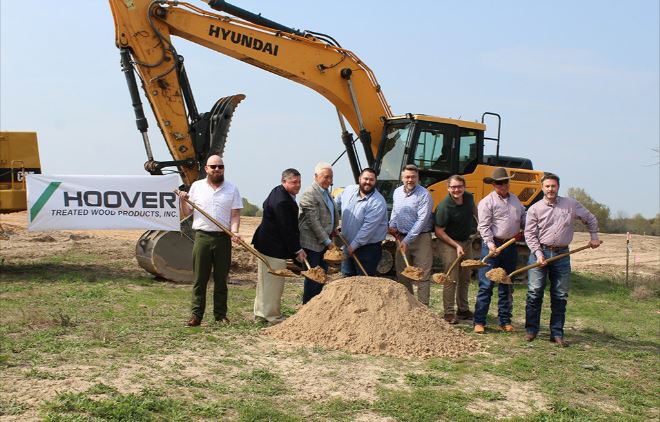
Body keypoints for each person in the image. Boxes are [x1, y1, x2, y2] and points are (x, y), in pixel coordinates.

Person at [524, 173, 601, 347]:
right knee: (535, 292)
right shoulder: (534, 209)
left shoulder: (571, 204)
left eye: (553, 186)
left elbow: (590, 218)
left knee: (560, 295)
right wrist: (538, 253)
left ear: (558, 187)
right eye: (547, 186)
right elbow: (529, 234)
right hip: (540, 252)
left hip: (562, 255)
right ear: (542, 188)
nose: (550, 189)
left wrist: (594, 236)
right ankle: (531, 330)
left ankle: (557, 333)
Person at [178, 155, 242, 327]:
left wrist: (235, 232)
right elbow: (187, 212)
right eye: (213, 166)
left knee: (221, 279)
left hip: (223, 239)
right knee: (200, 279)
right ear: (206, 169)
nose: (216, 169)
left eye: (220, 166)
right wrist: (183, 201)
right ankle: (196, 315)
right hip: (203, 238)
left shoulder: (232, 189)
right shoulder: (197, 187)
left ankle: (220, 315)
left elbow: (235, 214)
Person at [473, 168, 526, 334]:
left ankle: (504, 321)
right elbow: (484, 226)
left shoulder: (516, 201)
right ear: (493, 185)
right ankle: (479, 321)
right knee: (486, 285)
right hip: (492, 246)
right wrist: (490, 244)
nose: (502, 185)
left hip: (510, 246)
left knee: (507, 284)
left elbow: (524, 219)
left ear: (508, 183)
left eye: (505, 182)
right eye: (499, 183)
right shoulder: (487, 202)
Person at [252, 168, 307, 324]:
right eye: (294, 182)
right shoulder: (283, 201)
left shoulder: (277, 191)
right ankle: (272, 316)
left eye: (299, 182)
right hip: (272, 247)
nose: (298, 185)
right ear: (284, 181)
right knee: (274, 283)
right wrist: (297, 250)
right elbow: (287, 229)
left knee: (264, 281)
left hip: (265, 244)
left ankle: (261, 314)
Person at [434, 174, 478, 324]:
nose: (456, 190)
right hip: (449, 242)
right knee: (451, 277)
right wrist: (457, 245)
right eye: (453, 187)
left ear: (464, 187)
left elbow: (474, 211)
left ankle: (463, 309)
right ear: (448, 188)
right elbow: (439, 231)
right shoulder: (444, 206)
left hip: (466, 241)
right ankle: (449, 312)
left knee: (466, 275)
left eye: (459, 186)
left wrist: (481, 226)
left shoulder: (469, 198)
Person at [389, 164, 434, 306]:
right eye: (407, 177)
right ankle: (408, 306)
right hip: (401, 238)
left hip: (421, 239)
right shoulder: (397, 192)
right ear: (402, 178)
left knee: (422, 275)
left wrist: (407, 240)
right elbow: (395, 211)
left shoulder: (424, 194)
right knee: (403, 274)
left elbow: (422, 220)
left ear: (418, 178)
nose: (410, 180)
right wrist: (392, 225)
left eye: (413, 177)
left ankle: (423, 309)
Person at [298, 162, 339, 304]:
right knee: (313, 279)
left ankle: (317, 309)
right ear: (316, 176)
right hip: (312, 244)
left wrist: (334, 229)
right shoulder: (310, 194)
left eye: (331, 177)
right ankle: (307, 309)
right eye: (325, 177)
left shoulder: (326, 193)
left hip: (324, 244)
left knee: (322, 278)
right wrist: (328, 243)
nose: (329, 180)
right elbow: (313, 222)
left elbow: (330, 215)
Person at [335, 168, 388, 276]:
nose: (368, 182)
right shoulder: (349, 190)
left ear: (375, 181)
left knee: (363, 284)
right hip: (347, 245)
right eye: (365, 178)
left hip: (368, 250)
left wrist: (353, 246)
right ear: (359, 179)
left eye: (371, 180)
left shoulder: (378, 202)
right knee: (346, 280)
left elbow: (367, 229)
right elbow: (335, 203)